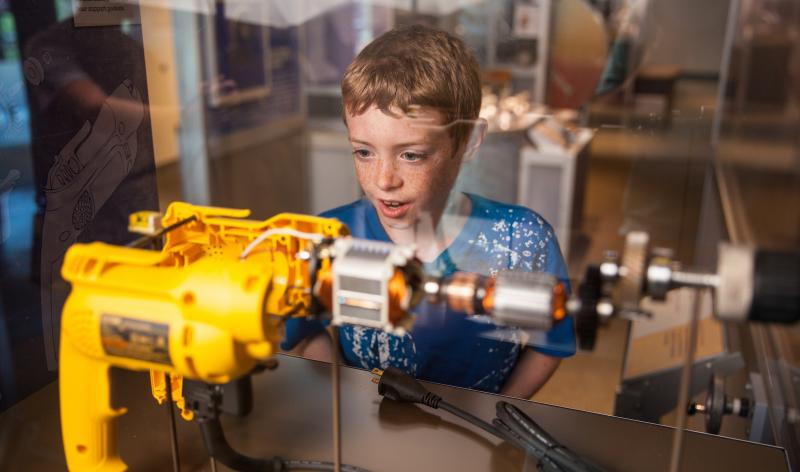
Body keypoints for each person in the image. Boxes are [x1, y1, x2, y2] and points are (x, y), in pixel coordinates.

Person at [283, 24, 575, 399]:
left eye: (411, 155)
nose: (383, 180)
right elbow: (304, 330)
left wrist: (498, 414)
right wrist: (347, 398)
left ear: (468, 141)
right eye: (363, 152)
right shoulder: (330, 235)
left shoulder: (521, 238)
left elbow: (549, 344)